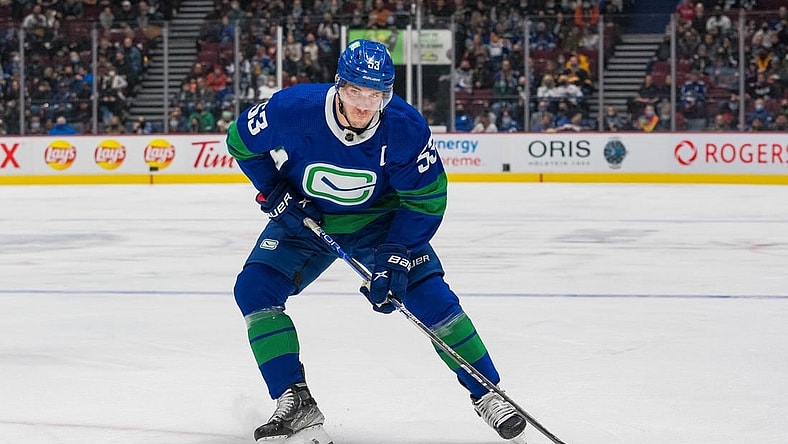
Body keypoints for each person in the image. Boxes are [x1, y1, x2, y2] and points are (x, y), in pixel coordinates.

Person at [225, 39, 527, 444]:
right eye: (355, 92)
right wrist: (274, 189)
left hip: (380, 222)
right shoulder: (292, 109)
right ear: (338, 85)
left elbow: (426, 198)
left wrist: (397, 254)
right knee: (254, 289)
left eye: (376, 95)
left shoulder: (405, 127)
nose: (365, 106)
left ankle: (488, 393)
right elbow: (240, 141)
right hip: (307, 217)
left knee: (431, 298)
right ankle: (294, 399)